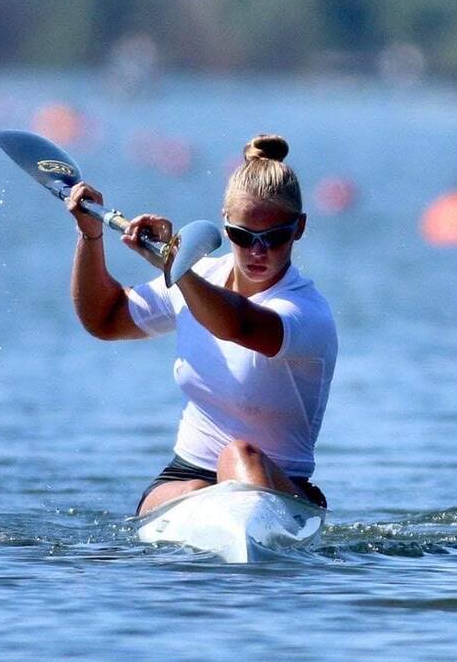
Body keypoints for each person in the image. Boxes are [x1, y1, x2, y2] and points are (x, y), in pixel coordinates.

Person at [64, 133, 338, 515]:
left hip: (278, 484)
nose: (258, 251)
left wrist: (175, 268)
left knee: (238, 455)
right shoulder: (197, 277)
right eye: (244, 237)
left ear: (299, 228)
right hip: (185, 476)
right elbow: (103, 320)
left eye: (274, 238)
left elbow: (237, 325)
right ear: (226, 228)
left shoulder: (307, 312)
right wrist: (90, 234)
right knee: (184, 491)